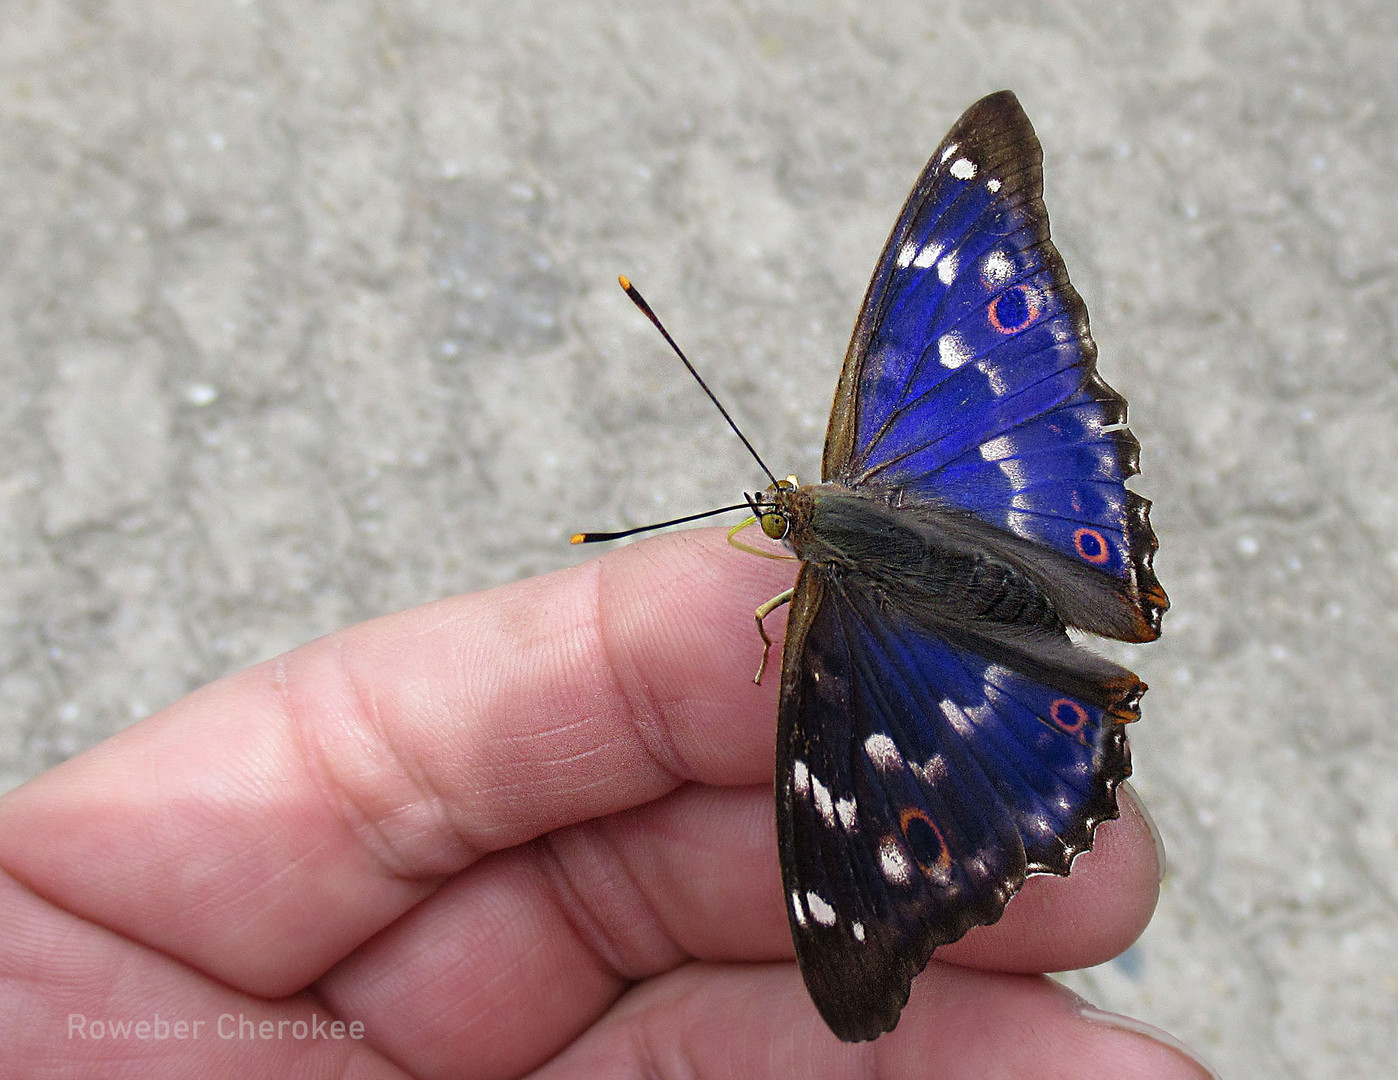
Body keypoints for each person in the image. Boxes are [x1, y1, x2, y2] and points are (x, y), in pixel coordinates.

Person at [0, 530, 1215, 1078]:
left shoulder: (801, 628)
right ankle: (1075, 654)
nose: (770, 530)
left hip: (962, 609)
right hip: (1015, 522)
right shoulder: (825, 606)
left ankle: (1066, 700)